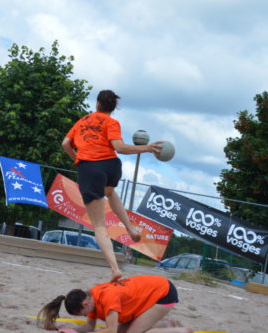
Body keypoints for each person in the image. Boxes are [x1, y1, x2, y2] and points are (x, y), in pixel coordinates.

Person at [62, 90, 162, 281]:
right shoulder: (112, 122)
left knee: (99, 225)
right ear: (113, 108)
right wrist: (147, 148)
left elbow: (66, 144)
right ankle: (130, 229)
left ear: (98, 104)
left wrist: (78, 161)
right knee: (110, 192)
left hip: (89, 168)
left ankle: (115, 268)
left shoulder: (82, 120)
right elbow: (120, 148)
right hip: (111, 167)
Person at [38, 275, 193, 333]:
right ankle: (167, 325)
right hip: (148, 293)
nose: (86, 316)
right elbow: (89, 327)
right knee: (124, 331)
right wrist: (69, 329)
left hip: (163, 293)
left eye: (83, 314)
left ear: (85, 304)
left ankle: (184, 331)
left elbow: (111, 330)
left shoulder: (107, 299)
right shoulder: (90, 298)